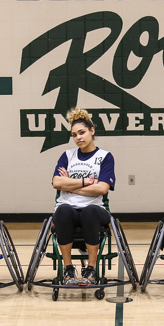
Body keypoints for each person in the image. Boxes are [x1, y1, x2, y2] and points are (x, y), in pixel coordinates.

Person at [51, 108, 115, 286]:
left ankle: (91, 269)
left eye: (82, 132)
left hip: (96, 209)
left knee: (89, 211)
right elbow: (57, 183)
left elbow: (102, 188)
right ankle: (68, 269)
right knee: (63, 211)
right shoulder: (67, 155)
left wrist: (70, 184)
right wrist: (86, 182)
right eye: (74, 135)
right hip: (67, 208)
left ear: (91, 131)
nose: (78, 137)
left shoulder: (105, 157)